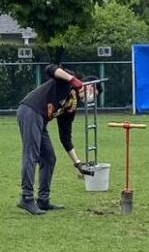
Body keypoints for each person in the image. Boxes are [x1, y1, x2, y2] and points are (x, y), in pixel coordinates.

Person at [16, 64, 95, 215]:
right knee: (31, 154)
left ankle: (43, 200)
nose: (91, 96)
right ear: (88, 85)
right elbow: (50, 69)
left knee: (49, 158)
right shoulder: (68, 80)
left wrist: (78, 163)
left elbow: (65, 137)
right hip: (30, 110)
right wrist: (72, 79)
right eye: (93, 91)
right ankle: (26, 198)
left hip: (41, 119)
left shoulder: (71, 106)